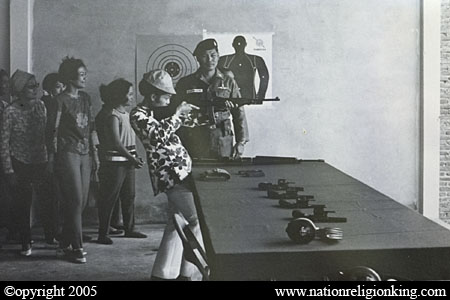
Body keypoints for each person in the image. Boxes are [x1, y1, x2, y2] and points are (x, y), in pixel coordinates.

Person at [130, 69, 204, 281]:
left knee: (176, 223)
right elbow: (157, 137)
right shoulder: (138, 115)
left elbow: (179, 126)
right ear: (153, 96)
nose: (170, 99)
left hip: (180, 172)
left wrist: (194, 115)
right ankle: (190, 273)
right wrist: (178, 113)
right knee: (196, 221)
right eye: (167, 96)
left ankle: (163, 273)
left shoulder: (159, 113)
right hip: (171, 175)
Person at [48, 57, 99, 264]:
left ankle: (63, 245)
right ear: (69, 77)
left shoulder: (86, 98)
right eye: (81, 74)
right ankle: (77, 248)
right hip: (67, 152)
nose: (85, 78)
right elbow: (52, 130)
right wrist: (51, 158)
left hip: (85, 153)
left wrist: (96, 155)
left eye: (86, 74)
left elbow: (92, 127)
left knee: (82, 202)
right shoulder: (58, 100)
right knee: (76, 200)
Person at [173, 38, 249, 159]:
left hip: (222, 139)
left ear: (218, 56)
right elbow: (175, 113)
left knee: (224, 174)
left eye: (213, 55)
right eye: (204, 56)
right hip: (194, 139)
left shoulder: (229, 82)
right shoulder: (186, 83)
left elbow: (239, 113)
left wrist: (241, 142)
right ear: (197, 59)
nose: (210, 60)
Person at [0, 69, 48, 256]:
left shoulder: (41, 107)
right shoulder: (10, 111)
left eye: (36, 85)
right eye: (30, 87)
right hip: (19, 161)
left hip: (40, 160)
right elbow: (3, 143)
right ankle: (25, 242)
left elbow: (46, 134)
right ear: (20, 90)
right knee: (23, 203)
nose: (35, 89)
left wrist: (48, 158)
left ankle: (52, 237)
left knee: (46, 200)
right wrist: (9, 170)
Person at [95, 78, 146, 245]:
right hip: (114, 162)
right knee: (109, 197)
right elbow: (116, 143)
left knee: (129, 196)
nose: (132, 97)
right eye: (129, 94)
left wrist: (133, 157)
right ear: (119, 96)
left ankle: (129, 228)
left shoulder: (125, 114)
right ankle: (103, 233)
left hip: (127, 161)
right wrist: (132, 158)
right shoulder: (112, 115)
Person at [41, 72, 65, 244]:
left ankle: (63, 230)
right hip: (49, 154)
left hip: (62, 152)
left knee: (62, 195)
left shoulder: (62, 102)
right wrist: (50, 156)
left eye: (63, 86)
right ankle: (52, 233)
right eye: (58, 86)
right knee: (52, 195)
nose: (62, 89)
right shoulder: (47, 104)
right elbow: (49, 132)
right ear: (48, 89)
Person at [218, 35, 269, 99]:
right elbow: (215, 76)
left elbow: (264, 77)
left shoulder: (255, 60)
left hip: (249, 96)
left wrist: (261, 94)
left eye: (241, 44)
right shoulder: (225, 60)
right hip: (231, 97)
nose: (239, 46)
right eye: (237, 44)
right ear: (233, 45)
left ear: (245, 45)